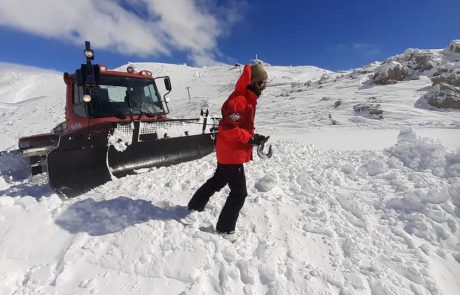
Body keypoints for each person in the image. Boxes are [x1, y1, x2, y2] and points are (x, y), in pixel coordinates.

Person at [187, 63, 269, 237]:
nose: (264, 87)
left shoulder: (247, 99)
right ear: (252, 82)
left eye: (265, 83)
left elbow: (239, 127)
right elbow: (229, 129)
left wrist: (255, 137)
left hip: (229, 152)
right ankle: (225, 228)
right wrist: (250, 139)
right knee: (240, 193)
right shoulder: (239, 100)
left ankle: (195, 204)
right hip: (231, 154)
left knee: (218, 180)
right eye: (261, 83)